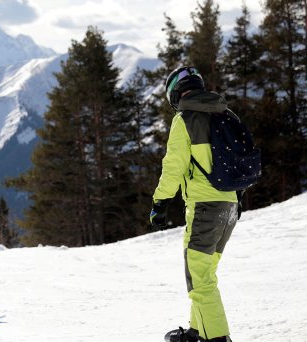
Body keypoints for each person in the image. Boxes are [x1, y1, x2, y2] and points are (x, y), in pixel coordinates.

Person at [150, 67, 238, 342]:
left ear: (174, 93)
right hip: (230, 205)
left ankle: (218, 338)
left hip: (205, 206)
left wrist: (160, 203)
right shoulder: (226, 114)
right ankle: (197, 331)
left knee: (200, 279)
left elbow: (173, 166)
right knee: (204, 272)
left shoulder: (185, 119)